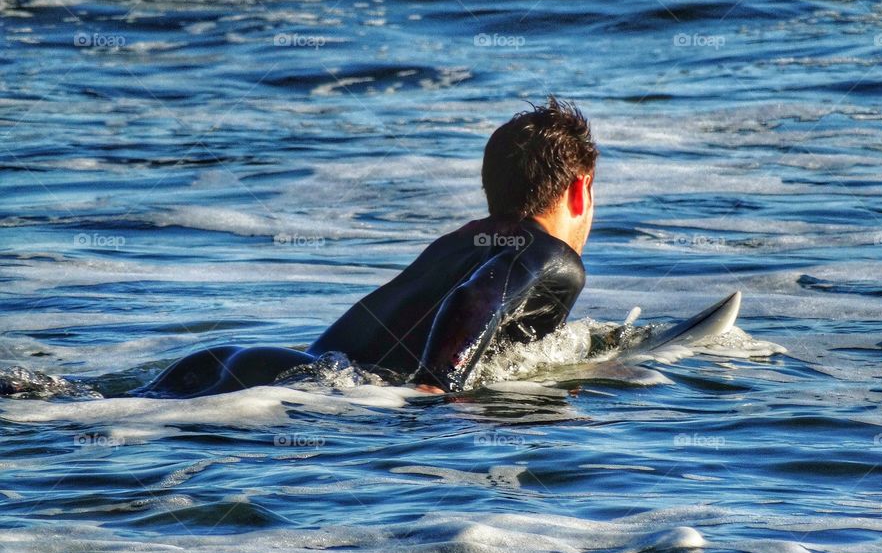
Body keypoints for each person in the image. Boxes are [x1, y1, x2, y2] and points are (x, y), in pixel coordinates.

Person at [140, 97, 597, 397]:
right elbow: (478, 296)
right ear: (581, 190)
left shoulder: (461, 242)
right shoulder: (553, 258)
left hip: (241, 364)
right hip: (292, 384)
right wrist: (439, 389)